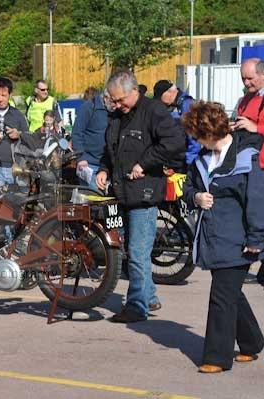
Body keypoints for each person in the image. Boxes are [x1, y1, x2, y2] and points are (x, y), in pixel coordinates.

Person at [181, 101, 264, 373]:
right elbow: (188, 188)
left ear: (208, 132)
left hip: (240, 240)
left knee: (221, 295)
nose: (195, 141)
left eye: (197, 135)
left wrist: (257, 238)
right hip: (213, 239)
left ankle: (217, 358)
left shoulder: (246, 157)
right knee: (232, 293)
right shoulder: (201, 161)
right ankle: (252, 342)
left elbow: (256, 199)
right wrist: (196, 197)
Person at [96, 70, 186, 323]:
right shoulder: (117, 115)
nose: (117, 105)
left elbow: (176, 141)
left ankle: (136, 306)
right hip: (122, 191)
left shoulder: (154, 111)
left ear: (135, 90)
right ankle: (149, 296)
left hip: (144, 194)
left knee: (137, 252)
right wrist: (104, 169)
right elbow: (110, 148)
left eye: (121, 99)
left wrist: (144, 164)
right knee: (133, 250)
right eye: (113, 100)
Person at [231, 58, 264, 289]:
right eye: (243, 79)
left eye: (249, 78)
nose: (246, 83)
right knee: (254, 218)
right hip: (248, 166)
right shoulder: (246, 99)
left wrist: (258, 129)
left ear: (263, 75)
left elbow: (258, 127)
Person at [153, 79, 201, 165]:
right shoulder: (174, 105)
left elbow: (194, 137)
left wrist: (189, 162)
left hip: (187, 160)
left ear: (168, 93)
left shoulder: (187, 105)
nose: (161, 102)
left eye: (160, 97)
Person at [71, 89, 109, 191]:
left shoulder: (115, 109)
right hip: (90, 165)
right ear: (106, 97)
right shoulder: (88, 107)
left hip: (108, 165)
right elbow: (76, 133)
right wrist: (81, 158)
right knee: (93, 200)